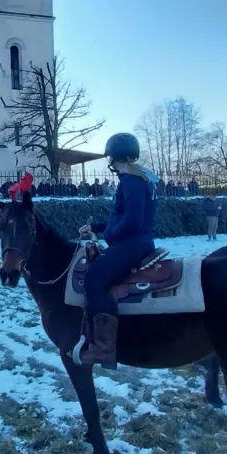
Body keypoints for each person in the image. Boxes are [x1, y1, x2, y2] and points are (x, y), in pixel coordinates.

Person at [77, 133, 158, 368]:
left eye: (110, 157)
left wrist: (109, 236)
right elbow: (120, 217)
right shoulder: (140, 178)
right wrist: (96, 227)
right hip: (137, 241)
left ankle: (103, 350)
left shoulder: (130, 181)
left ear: (116, 156)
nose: (109, 161)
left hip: (133, 244)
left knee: (93, 280)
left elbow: (132, 220)